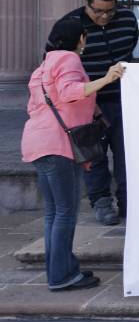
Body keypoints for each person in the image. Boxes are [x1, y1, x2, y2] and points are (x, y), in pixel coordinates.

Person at [22, 17, 125, 291]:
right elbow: (69, 93)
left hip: (36, 143)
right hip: (58, 146)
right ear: (80, 39)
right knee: (66, 213)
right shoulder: (68, 59)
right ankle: (61, 276)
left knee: (53, 214)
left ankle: (62, 269)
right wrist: (107, 78)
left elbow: (35, 106)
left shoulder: (43, 65)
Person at [52, 0, 138, 226]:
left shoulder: (128, 19)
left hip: (123, 97)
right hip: (88, 100)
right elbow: (52, 60)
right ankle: (101, 202)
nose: (104, 16)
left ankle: (128, 202)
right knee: (94, 153)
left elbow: (130, 48)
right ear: (86, 4)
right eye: (98, 11)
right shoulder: (70, 24)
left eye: (110, 11)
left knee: (126, 152)